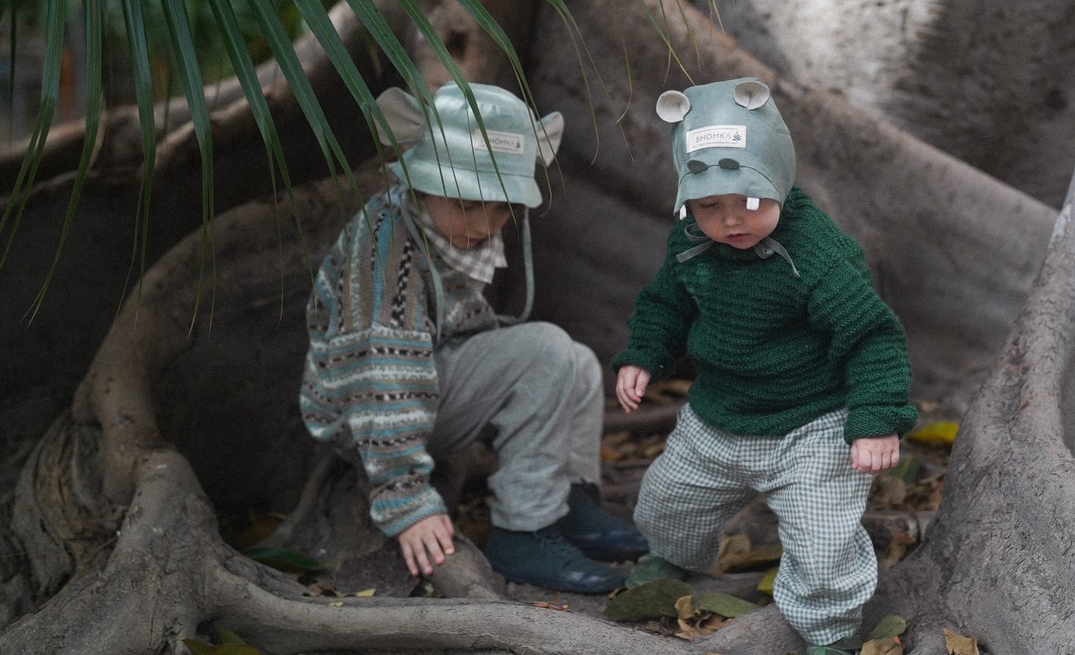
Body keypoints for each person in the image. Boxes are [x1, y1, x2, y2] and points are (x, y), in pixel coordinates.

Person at [300, 82, 646, 594]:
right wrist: (406, 498)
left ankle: (566, 502)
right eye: (466, 202)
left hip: (426, 376)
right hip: (365, 414)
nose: (485, 223)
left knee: (579, 363)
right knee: (547, 351)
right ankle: (524, 531)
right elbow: (382, 375)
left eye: (502, 207)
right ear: (423, 181)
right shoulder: (387, 250)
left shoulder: (437, 225)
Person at [613, 77, 918, 654]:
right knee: (667, 502)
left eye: (750, 202)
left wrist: (877, 418)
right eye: (710, 206)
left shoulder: (815, 253)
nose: (731, 221)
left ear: (778, 178)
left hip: (813, 423)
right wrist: (643, 356)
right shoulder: (690, 241)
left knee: (824, 540)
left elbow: (872, 336)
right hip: (717, 417)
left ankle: (829, 631)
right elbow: (666, 303)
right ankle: (673, 562)